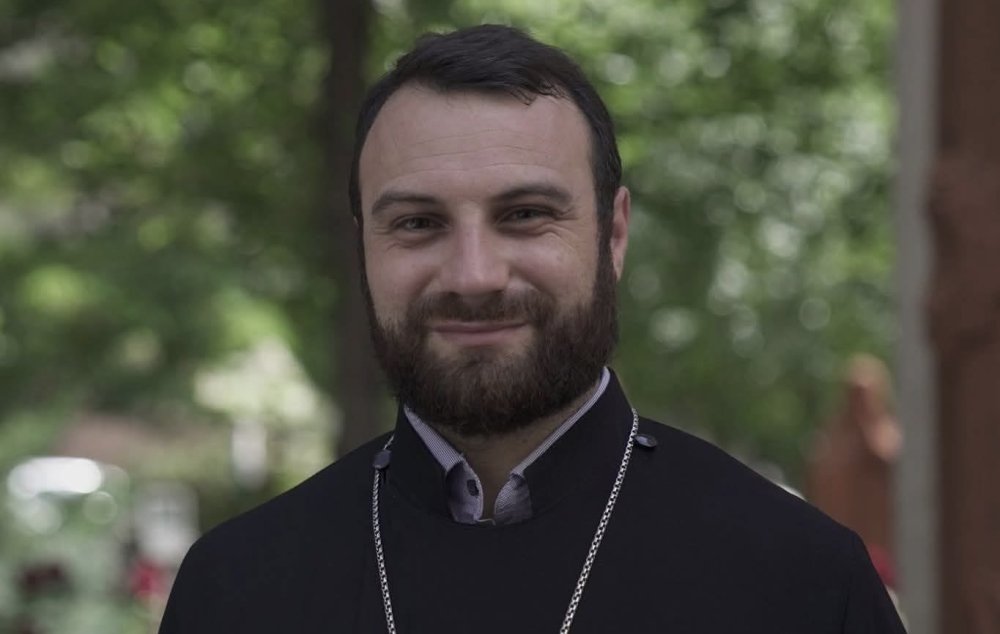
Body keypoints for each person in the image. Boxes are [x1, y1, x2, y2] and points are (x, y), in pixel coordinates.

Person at [160, 25, 906, 633]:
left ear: (613, 234)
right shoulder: (234, 590)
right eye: (418, 223)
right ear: (364, 248)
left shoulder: (802, 584)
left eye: (524, 215)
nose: (474, 275)